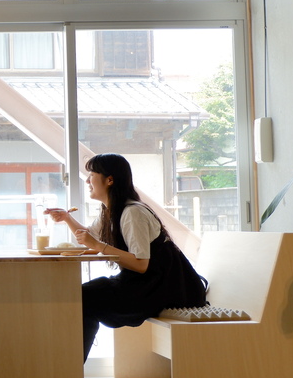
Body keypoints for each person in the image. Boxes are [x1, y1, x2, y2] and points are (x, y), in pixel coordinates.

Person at [45, 153, 206, 361]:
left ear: (109, 180)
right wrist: (67, 218)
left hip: (164, 289)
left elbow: (140, 265)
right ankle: (69, 369)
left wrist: (97, 245)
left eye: (91, 174)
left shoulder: (133, 213)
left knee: (84, 298)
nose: (87, 180)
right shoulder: (111, 211)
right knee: (83, 296)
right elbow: (89, 236)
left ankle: (70, 369)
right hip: (145, 284)